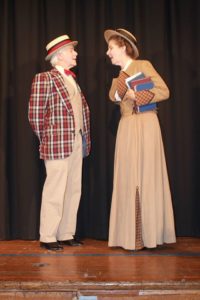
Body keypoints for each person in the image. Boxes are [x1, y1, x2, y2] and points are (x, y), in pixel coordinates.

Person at [104, 28, 176, 251]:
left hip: (145, 123)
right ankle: (130, 235)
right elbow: (112, 96)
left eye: (111, 48)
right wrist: (123, 92)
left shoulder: (142, 65)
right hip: (127, 126)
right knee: (128, 177)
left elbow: (164, 91)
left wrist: (139, 95)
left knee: (146, 176)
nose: (108, 53)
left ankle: (148, 234)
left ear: (123, 47)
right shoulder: (117, 78)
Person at [28, 34, 91, 251]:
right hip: (57, 142)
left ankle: (66, 233)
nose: (75, 53)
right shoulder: (45, 78)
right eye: (72, 50)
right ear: (60, 55)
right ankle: (47, 235)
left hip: (76, 140)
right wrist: (48, 138)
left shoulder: (71, 78)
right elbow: (35, 114)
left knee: (73, 188)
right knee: (55, 188)